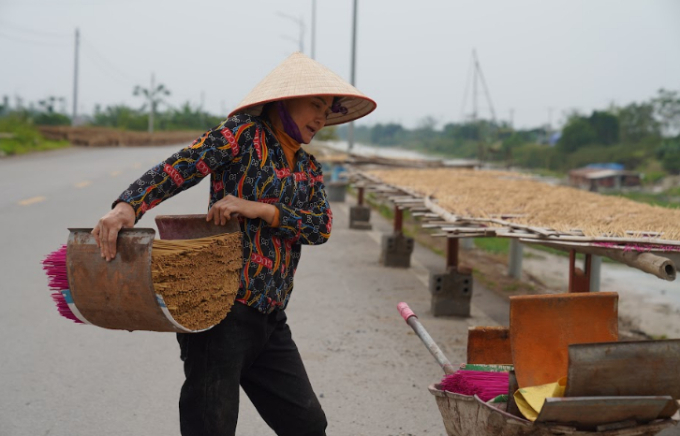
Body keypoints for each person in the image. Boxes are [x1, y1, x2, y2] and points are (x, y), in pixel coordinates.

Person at [91, 52, 376, 436]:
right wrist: (129, 205)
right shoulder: (242, 135)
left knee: (308, 425)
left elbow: (320, 227)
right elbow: (183, 165)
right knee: (211, 427)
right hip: (221, 310)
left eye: (327, 109)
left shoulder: (308, 168)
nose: (322, 117)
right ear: (283, 101)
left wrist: (262, 210)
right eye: (315, 104)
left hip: (271, 318)